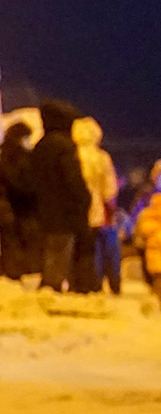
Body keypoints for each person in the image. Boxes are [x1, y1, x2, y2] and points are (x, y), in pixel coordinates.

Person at [26, 101, 92, 293]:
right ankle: (52, 287)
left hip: (44, 209)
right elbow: (72, 179)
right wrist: (83, 198)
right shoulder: (64, 146)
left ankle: (50, 284)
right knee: (62, 251)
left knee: (50, 250)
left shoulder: (40, 146)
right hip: (65, 211)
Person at [74, 116, 121, 294]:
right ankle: (94, 284)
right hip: (96, 210)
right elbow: (109, 190)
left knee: (77, 249)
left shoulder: (72, 154)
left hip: (74, 212)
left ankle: (77, 284)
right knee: (95, 251)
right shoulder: (101, 158)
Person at [0, 122, 40, 281]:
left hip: (6, 206)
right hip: (19, 207)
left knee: (8, 243)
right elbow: (21, 183)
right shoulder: (20, 157)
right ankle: (14, 274)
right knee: (17, 242)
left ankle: (10, 273)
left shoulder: (4, 154)